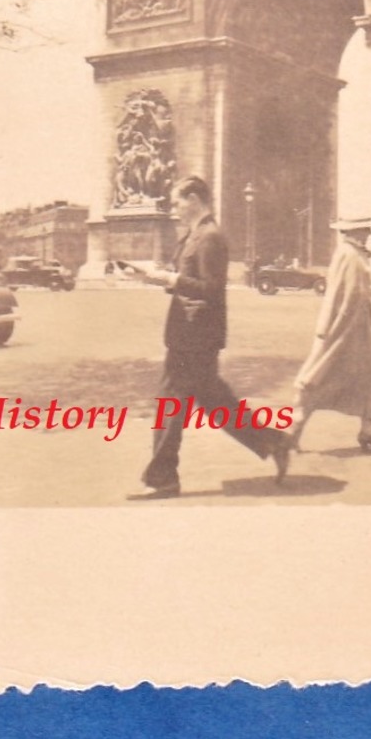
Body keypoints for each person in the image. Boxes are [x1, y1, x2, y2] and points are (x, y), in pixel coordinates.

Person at [124, 175, 291, 498]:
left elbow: (212, 291)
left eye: (177, 202)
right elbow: (190, 283)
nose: (174, 210)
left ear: (195, 199)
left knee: (170, 405)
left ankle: (163, 479)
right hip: (190, 333)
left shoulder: (210, 237)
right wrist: (156, 278)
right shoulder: (195, 235)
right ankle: (273, 441)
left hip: (195, 337)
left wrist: (171, 279)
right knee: (215, 402)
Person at [289, 217, 371, 452]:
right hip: (348, 329)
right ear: (354, 231)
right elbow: (345, 296)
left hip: (357, 328)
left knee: (370, 376)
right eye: (365, 229)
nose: (368, 233)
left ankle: (368, 430)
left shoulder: (354, 254)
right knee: (323, 375)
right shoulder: (348, 255)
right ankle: (294, 429)